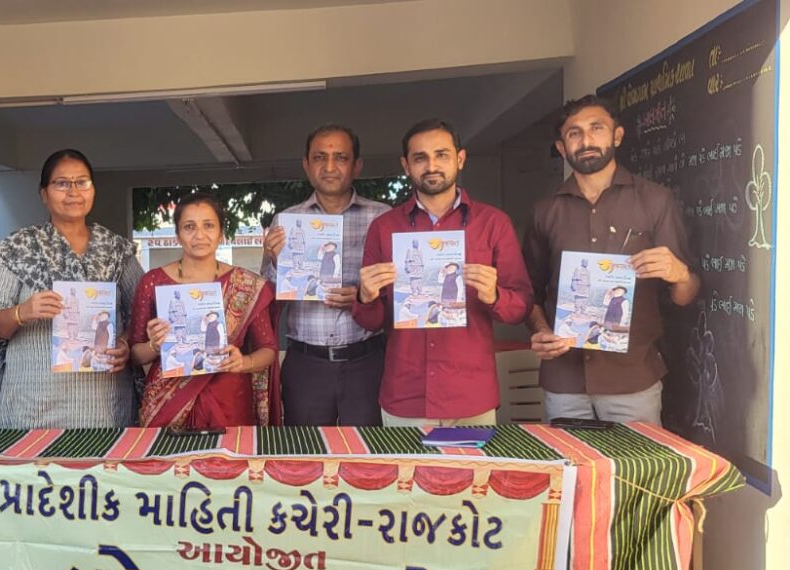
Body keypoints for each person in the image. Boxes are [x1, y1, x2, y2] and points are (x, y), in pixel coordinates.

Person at [524, 95, 699, 424]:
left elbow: (685, 295)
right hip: (565, 378)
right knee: (570, 460)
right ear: (561, 147)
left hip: (633, 378)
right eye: (574, 133)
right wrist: (542, 329)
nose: (586, 140)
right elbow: (528, 291)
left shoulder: (655, 200)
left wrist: (680, 274)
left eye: (597, 128)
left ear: (617, 136)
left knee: (636, 460)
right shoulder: (545, 212)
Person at [355, 118, 532, 427]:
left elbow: (520, 308)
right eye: (420, 158)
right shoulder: (384, 228)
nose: (431, 166)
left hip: (470, 394)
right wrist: (365, 297)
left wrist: (494, 296)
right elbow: (371, 321)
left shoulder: (493, 223)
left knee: (474, 463)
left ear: (460, 159)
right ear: (406, 165)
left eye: (441, 155)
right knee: (404, 464)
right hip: (405, 394)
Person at [0, 149, 139, 428]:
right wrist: (22, 312)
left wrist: (125, 344)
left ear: (93, 189)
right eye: (62, 183)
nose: (73, 192)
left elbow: (142, 311)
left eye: (82, 182)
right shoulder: (19, 247)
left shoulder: (116, 250)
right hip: (33, 405)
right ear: (44, 194)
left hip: (102, 406)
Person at [261, 124, 390, 426]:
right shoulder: (286, 221)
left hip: (366, 362)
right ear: (307, 165)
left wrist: (363, 297)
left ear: (356, 165)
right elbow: (268, 301)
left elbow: (396, 293)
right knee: (306, 449)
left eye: (341, 157)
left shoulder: (383, 218)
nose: (329, 167)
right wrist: (277, 264)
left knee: (366, 450)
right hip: (307, 364)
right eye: (320, 157)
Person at [131, 193, 280, 428]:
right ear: (177, 234)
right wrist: (154, 345)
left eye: (208, 225)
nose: (200, 235)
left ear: (221, 233)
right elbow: (135, 354)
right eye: (189, 227)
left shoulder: (247, 284)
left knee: (228, 453)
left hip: (229, 402)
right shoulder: (153, 282)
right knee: (165, 454)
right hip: (167, 404)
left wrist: (244, 362)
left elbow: (268, 349)